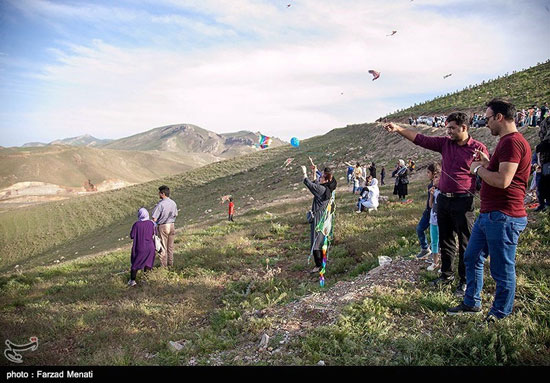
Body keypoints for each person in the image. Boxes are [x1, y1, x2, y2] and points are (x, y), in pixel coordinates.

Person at [384, 113, 489, 296]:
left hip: (464, 201)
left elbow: (488, 171)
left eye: (452, 128)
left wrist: (485, 165)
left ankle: (464, 281)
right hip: (443, 200)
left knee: (465, 242)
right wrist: (399, 129)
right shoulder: (445, 144)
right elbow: (420, 139)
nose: (448, 131)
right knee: (445, 240)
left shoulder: (478, 148)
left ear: (464, 128)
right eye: (447, 128)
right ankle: (446, 275)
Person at [448, 99, 531, 321]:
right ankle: (471, 301)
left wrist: (476, 169)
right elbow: (501, 171)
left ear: (499, 117)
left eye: (487, 119)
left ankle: (499, 315)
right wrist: (487, 162)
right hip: (489, 214)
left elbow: (503, 180)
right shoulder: (506, 142)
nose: (485, 124)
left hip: (503, 216)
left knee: (502, 270)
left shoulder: (512, 142)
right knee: (472, 256)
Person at [302, 164, 337, 273]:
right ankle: (323, 262)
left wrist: (304, 172)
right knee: (322, 239)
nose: (319, 178)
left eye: (321, 177)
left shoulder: (321, 190)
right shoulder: (328, 187)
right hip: (325, 217)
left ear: (325, 180)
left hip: (318, 218)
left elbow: (310, 184)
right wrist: (314, 171)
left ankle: (318, 265)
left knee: (316, 241)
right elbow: (315, 183)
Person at [415, 163, 440, 260]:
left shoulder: (439, 185)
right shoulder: (430, 185)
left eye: (428, 172)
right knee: (420, 229)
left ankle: (435, 255)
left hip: (435, 213)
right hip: (428, 212)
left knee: (436, 236)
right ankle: (425, 248)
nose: (427, 174)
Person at [151, 185, 178, 267]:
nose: (158, 194)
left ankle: (164, 267)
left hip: (163, 226)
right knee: (170, 247)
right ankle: (171, 264)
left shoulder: (161, 204)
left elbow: (154, 218)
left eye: (159, 193)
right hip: (172, 225)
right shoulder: (173, 203)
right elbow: (176, 214)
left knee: (163, 248)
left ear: (162, 194)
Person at [128, 208, 155, 286]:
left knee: (136, 263)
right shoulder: (151, 223)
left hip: (140, 247)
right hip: (150, 247)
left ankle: (132, 281)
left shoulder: (136, 224)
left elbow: (132, 235)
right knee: (148, 263)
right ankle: (145, 279)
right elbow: (153, 233)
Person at [427, 171, 441, 272]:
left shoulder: (443, 192)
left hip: (441, 221)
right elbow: (431, 205)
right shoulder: (434, 191)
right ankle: (435, 261)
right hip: (433, 220)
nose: (434, 180)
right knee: (434, 241)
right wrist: (431, 195)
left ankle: (444, 262)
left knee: (443, 242)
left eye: (436, 177)